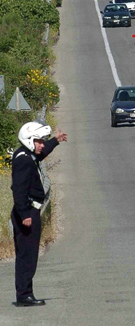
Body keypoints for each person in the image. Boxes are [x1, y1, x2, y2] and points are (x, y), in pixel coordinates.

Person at [11, 121, 67, 307]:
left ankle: (25, 293)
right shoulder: (23, 160)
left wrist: (55, 141)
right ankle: (24, 295)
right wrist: (25, 214)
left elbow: (40, 154)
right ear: (28, 140)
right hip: (27, 213)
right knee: (27, 256)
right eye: (38, 141)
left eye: (43, 141)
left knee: (28, 254)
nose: (41, 144)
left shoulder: (27, 154)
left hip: (28, 211)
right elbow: (18, 190)